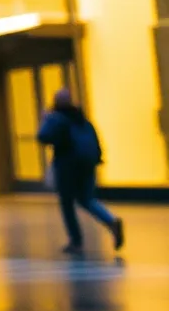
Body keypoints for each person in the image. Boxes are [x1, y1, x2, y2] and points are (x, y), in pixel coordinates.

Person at [37, 88, 124, 255]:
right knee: (87, 199)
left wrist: (45, 119)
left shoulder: (56, 118)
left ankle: (76, 242)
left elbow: (43, 136)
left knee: (67, 204)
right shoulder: (82, 118)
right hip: (87, 165)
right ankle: (111, 221)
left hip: (67, 167)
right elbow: (95, 139)